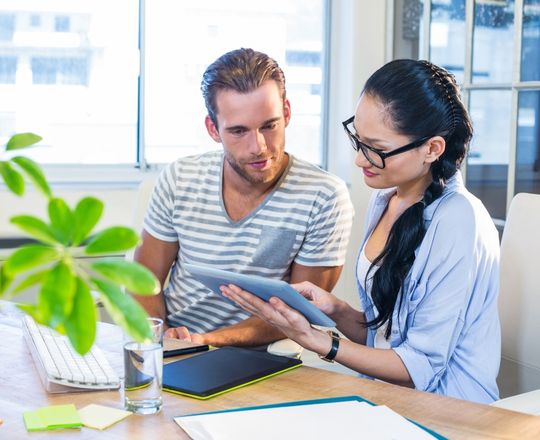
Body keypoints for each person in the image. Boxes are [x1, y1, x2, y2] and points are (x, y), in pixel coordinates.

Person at [222, 59, 501, 404]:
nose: (360, 160)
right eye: (359, 139)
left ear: (432, 148)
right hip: (382, 396)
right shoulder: (386, 199)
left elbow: (420, 367)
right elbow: (386, 338)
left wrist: (322, 342)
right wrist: (337, 311)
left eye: (377, 150)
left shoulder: (459, 220)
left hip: (450, 409)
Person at [134, 48, 354, 347]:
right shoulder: (179, 178)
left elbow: (299, 313)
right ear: (213, 129)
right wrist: (160, 339)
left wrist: (206, 341)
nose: (259, 147)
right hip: (173, 344)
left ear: (286, 113)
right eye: (238, 131)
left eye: (269, 125)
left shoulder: (324, 197)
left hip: (260, 356)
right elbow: (144, 282)